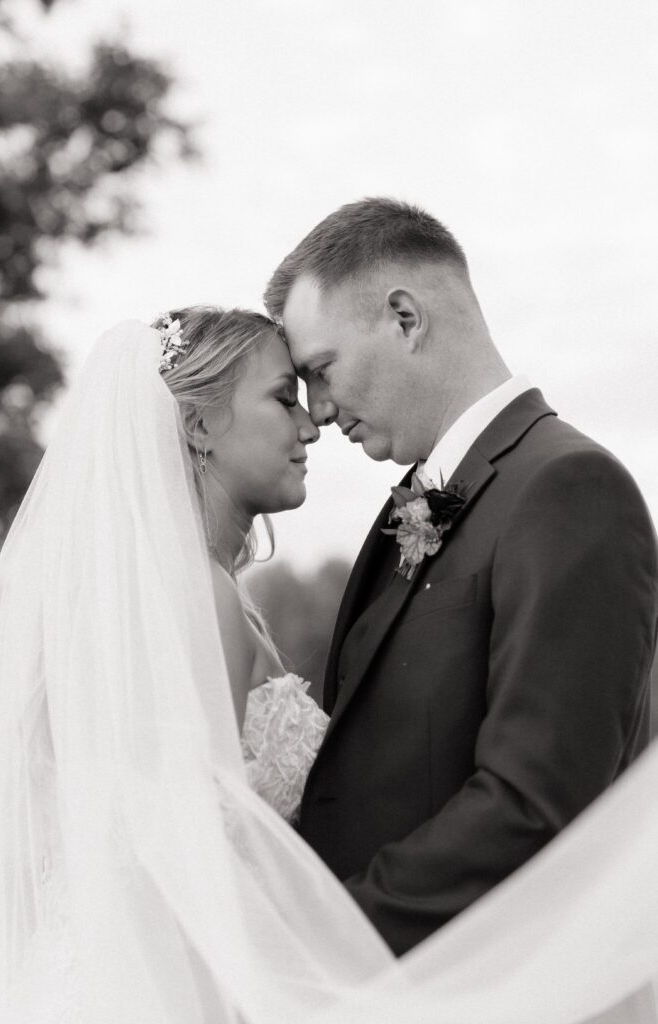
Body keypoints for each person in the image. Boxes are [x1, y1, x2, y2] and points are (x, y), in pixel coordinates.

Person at [0, 305, 658, 1023]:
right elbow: (171, 856)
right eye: (282, 398)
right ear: (198, 426)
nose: (311, 426)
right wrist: (321, 966)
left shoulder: (198, 594)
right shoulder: (191, 600)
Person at [264, 196, 658, 957]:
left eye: (321, 369)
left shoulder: (567, 488)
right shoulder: (415, 502)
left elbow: (534, 801)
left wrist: (327, 941)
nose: (316, 411)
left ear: (405, 319)